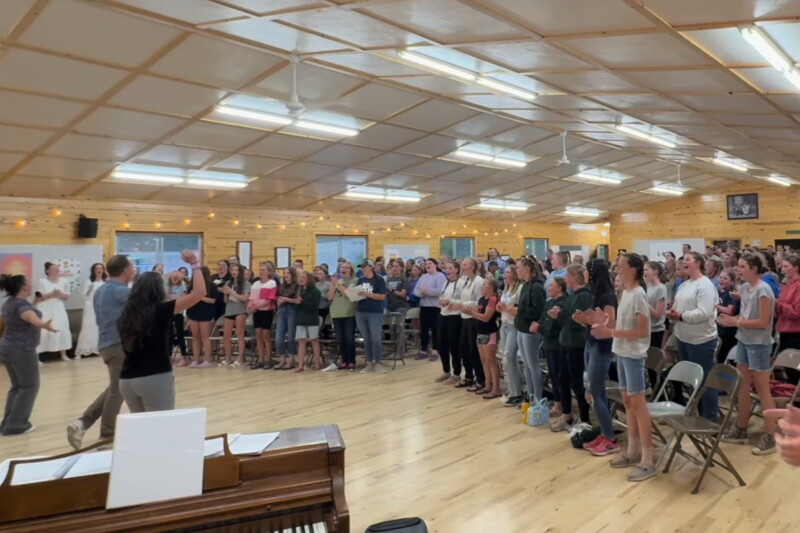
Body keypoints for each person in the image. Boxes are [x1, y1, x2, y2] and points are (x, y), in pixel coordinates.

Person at [587, 254, 657, 481]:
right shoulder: (625, 293)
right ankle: (633, 451)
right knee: (628, 403)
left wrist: (611, 332)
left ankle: (648, 459)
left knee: (639, 405)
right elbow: (622, 325)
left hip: (634, 356)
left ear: (634, 270)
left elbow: (641, 331)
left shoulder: (638, 295)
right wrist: (603, 323)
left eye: (622, 266)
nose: (618, 269)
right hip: (623, 352)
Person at [117, 251, 206, 413]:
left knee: (141, 430)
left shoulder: (125, 314)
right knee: (159, 428)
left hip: (126, 379)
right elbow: (199, 293)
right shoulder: (161, 310)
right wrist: (194, 264)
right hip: (154, 376)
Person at [67, 255, 135, 449]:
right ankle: (107, 436)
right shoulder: (122, 292)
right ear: (124, 271)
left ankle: (82, 423)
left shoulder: (102, 290)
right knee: (118, 390)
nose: (133, 270)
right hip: (118, 345)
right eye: (131, 267)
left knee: (117, 386)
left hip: (106, 344)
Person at [719, 254, 776, 455]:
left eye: (742, 266)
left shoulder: (763, 289)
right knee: (741, 385)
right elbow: (744, 315)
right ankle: (741, 428)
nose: (738, 269)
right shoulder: (744, 288)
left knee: (762, 389)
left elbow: (763, 322)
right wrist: (731, 319)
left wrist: (735, 322)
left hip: (759, 344)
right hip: (743, 340)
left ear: (754, 268)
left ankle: (771, 435)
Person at [0, 274, 59, 435]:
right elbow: (29, 317)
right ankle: (17, 425)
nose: (32, 284)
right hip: (22, 350)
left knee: (17, 386)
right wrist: (45, 325)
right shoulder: (22, 306)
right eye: (29, 282)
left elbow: (25, 312)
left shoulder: (10, 303)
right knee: (29, 386)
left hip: (7, 348)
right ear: (24, 287)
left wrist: (39, 301)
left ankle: (8, 422)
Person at [666, 252, 719, 421]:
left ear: (698, 263)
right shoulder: (684, 284)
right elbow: (679, 305)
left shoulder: (705, 285)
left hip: (701, 340)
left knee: (704, 382)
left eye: (688, 259)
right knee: (692, 381)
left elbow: (703, 313)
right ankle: (698, 413)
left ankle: (710, 419)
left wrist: (680, 316)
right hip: (683, 338)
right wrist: (672, 309)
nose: (684, 262)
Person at [579, 259, 619, 455]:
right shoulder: (593, 293)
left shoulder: (607, 295)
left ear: (594, 273)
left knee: (594, 392)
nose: (584, 275)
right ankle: (605, 432)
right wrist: (584, 319)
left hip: (602, 346)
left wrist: (594, 320)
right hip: (591, 342)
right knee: (598, 392)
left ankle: (610, 438)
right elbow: (595, 319)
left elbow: (610, 322)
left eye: (586, 271)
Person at [549, 264, 593, 432]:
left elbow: (578, 321)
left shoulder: (584, 296)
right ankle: (566, 414)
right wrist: (560, 314)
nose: (565, 278)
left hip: (576, 343)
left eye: (567, 275)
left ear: (575, 277)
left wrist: (560, 315)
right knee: (562, 379)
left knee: (576, 382)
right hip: (565, 342)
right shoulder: (573, 295)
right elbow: (568, 317)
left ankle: (585, 417)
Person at [463, 278, 501, 399]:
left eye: (484, 284)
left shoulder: (493, 299)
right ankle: (488, 385)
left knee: (491, 361)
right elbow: (478, 312)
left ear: (491, 287)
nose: (482, 286)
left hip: (489, 332)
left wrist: (471, 313)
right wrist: (470, 310)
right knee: (484, 360)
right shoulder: (482, 299)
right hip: (480, 332)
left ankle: (496, 389)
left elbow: (486, 317)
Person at [515, 257, 545, 403]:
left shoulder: (537, 287)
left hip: (530, 330)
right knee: (526, 366)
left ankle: (538, 399)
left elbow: (538, 311)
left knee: (533, 366)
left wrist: (518, 311)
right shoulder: (525, 285)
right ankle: (530, 395)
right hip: (521, 328)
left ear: (527, 268)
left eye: (518, 267)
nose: (517, 270)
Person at [451, 258, 484, 390]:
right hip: (464, 317)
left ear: (472, 267)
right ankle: (469, 376)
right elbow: (460, 297)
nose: (462, 267)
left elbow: (480, 303)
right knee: (463, 349)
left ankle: (481, 379)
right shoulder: (465, 281)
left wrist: (462, 304)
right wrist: (452, 302)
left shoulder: (478, 282)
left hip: (474, 318)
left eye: (464, 265)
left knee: (473, 350)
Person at [537, 277, 567, 416]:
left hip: (557, 344)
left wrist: (541, 328)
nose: (549, 288)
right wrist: (540, 326)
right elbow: (543, 318)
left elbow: (554, 326)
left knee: (558, 375)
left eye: (552, 285)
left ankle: (560, 404)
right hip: (548, 343)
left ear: (560, 287)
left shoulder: (563, 303)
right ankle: (557, 402)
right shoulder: (550, 303)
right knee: (553, 374)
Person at [355, 260, 388, 373]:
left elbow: (382, 297)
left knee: (375, 338)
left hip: (375, 312)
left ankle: (378, 362)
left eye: (365, 267)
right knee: (367, 339)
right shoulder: (361, 280)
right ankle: (369, 362)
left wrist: (368, 294)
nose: (363, 269)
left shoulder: (379, 280)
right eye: (361, 267)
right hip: (361, 311)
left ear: (371, 267)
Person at [497, 265, 523, 405]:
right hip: (504, 323)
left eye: (507, 272)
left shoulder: (519, 289)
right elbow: (504, 307)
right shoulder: (507, 288)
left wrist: (506, 308)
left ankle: (516, 392)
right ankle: (512, 389)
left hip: (513, 325)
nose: (504, 274)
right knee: (506, 358)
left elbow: (518, 309)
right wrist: (500, 307)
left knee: (509, 358)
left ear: (514, 274)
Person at [36, 262, 72, 362]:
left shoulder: (64, 281)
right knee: (43, 331)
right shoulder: (42, 281)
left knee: (61, 328)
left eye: (58, 268)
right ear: (48, 271)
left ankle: (63, 354)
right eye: (54, 268)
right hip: (45, 308)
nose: (57, 270)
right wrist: (51, 294)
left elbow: (67, 297)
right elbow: (39, 298)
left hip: (58, 308)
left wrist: (60, 294)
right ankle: (37, 357)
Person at [413, 259, 447, 361]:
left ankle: (435, 350)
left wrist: (426, 291)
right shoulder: (423, 277)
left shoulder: (440, 276)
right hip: (424, 306)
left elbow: (440, 291)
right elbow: (416, 290)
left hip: (435, 307)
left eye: (430, 264)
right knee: (424, 330)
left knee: (435, 330)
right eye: (426, 264)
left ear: (435, 265)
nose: (428, 265)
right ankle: (423, 350)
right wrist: (421, 293)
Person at [437, 261, 464, 384]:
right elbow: (441, 296)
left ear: (457, 270)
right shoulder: (445, 282)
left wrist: (450, 301)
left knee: (454, 346)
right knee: (442, 345)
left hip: (455, 317)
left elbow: (462, 299)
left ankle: (457, 373)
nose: (447, 270)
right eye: (446, 268)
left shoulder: (461, 283)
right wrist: (441, 301)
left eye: (450, 268)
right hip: (443, 315)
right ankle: (446, 371)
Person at [186, 267, 217, 369]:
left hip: (205, 312)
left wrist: (200, 297)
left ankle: (207, 359)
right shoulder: (192, 285)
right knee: (195, 336)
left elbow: (213, 301)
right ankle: (196, 359)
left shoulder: (211, 286)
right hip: (193, 312)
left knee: (205, 336)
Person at [220, 263, 250, 367]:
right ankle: (228, 358)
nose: (234, 272)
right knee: (226, 335)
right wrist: (225, 293)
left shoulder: (245, 284)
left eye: (237, 270)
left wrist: (232, 292)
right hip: (229, 310)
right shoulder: (229, 282)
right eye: (233, 270)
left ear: (240, 272)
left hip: (240, 310)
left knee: (240, 334)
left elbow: (245, 298)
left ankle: (240, 358)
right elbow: (225, 301)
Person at [248, 262, 278, 369]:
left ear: (269, 272)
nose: (261, 272)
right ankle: (260, 359)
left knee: (266, 335)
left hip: (266, 311)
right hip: (257, 312)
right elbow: (251, 298)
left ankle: (268, 359)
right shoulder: (255, 284)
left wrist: (256, 306)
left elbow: (269, 300)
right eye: (260, 270)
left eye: (264, 270)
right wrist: (250, 306)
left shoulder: (272, 283)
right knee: (258, 335)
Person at [329, 262, 358, 371]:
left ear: (351, 270)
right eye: (342, 267)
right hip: (336, 313)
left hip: (349, 314)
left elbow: (350, 294)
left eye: (346, 267)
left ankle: (351, 361)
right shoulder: (338, 282)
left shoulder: (355, 281)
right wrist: (333, 285)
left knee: (349, 339)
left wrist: (338, 284)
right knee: (340, 339)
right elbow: (330, 297)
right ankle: (344, 361)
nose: (344, 269)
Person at [75, 262, 107, 359]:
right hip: (90, 307)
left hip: (102, 307)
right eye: (97, 268)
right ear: (93, 270)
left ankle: (100, 349)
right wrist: (89, 289)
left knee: (100, 328)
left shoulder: (106, 282)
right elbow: (84, 296)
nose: (99, 270)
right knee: (88, 327)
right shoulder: (88, 281)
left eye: (101, 268)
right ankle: (82, 350)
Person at [295, 271, 322, 372]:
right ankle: (301, 364)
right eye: (300, 277)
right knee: (301, 341)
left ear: (309, 279)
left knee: (314, 340)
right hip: (301, 318)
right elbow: (296, 307)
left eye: (303, 277)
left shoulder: (315, 291)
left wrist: (302, 302)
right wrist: (297, 303)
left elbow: (314, 306)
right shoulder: (300, 291)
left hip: (311, 318)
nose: (301, 279)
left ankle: (318, 363)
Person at [275, 267, 301, 370]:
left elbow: (297, 300)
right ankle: (282, 359)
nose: (286, 275)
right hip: (282, 310)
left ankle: (291, 359)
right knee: (279, 337)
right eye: (285, 273)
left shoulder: (297, 286)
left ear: (292, 275)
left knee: (291, 337)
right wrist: (279, 300)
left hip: (292, 310)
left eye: (288, 273)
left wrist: (287, 299)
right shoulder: (281, 286)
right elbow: (277, 296)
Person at [776, 256, 800, 352]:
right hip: (784, 331)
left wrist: (778, 304)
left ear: (796, 268)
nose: (782, 269)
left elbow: (796, 311)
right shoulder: (786, 285)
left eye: (786, 266)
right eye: (782, 267)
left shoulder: (798, 286)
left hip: (796, 334)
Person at [716, 268, 740, 362]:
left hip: (728, 332)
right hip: (719, 330)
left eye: (725, 278)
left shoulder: (732, 293)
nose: (721, 280)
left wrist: (715, 306)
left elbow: (730, 311)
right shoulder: (719, 292)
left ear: (731, 282)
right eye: (720, 277)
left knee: (724, 357)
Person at [166, 271, 188, 365]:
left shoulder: (182, 287)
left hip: (178, 312)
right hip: (168, 312)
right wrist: (174, 298)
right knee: (169, 335)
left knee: (180, 334)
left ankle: (184, 356)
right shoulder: (167, 287)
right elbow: (165, 298)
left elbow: (182, 299)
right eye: (172, 277)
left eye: (176, 277)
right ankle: (169, 357)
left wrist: (171, 298)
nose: (174, 278)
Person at [644, 261, 667, 349]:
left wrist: (644, 303)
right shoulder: (647, 286)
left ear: (655, 271)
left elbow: (658, 314)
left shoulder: (660, 288)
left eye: (646, 270)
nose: (644, 272)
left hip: (656, 330)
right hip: (647, 328)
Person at [314, 266, 333, 339]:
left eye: (321, 273)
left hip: (325, 307)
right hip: (317, 307)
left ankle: (326, 340)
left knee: (325, 326)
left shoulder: (329, 284)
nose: (319, 275)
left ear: (325, 275)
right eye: (318, 274)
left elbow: (329, 297)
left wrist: (320, 295)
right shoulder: (316, 284)